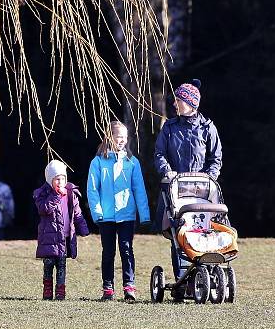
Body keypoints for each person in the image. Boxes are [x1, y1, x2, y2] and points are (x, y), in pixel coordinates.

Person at [153, 79, 223, 279]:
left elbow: (215, 158)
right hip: (176, 191)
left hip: (202, 192)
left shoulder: (208, 128)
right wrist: (167, 171)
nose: (175, 104)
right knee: (179, 234)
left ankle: (205, 275)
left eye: (178, 100)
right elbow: (159, 153)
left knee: (202, 232)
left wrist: (210, 177)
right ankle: (183, 278)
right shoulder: (170, 127)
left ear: (191, 103)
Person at [87, 120, 150, 301]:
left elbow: (139, 189)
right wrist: (97, 212)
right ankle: (108, 288)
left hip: (126, 215)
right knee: (108, 251)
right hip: (106, 216)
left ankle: (129, 286)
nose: (122, 140)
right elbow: (92, 189)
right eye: (118, 136)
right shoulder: (98, 162)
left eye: (125, 137)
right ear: (109, 137)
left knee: (127, 249)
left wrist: (144, 214)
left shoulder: (132, 162)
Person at [34, 159, 89, 301]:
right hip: (49, 239)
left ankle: (60, 291)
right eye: (56, 179)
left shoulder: (71, 194)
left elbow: (77, 213)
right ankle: (47, 290)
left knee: (62, 265)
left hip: (64, 238)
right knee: (48, 265)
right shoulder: (43, 194)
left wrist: (83, 228)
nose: (60, 182)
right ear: (49, 180)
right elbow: (44, 209)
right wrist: (56, 196)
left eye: (62, 179)